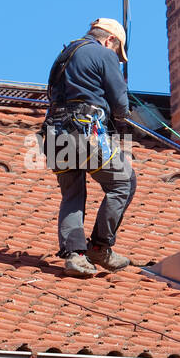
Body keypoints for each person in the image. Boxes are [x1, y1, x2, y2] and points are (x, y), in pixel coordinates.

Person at [45, 18, 137, 278]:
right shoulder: (103, 54)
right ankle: (100, 246)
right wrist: (124, 114)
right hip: (85, 132)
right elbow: (120, 103)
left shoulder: (64, 56)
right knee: (123, 183)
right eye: (117, 52)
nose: (115, 58)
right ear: (110, 40)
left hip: (54, 135)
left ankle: (75, 255)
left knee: (72, 195)